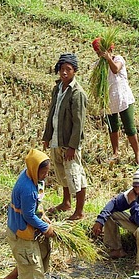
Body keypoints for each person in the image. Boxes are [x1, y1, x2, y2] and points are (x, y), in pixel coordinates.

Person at [5, 149, 56, 279]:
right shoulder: (27, 189)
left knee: (33, 256)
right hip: (21, 231)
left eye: (48, 172)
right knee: (28, 262)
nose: (46, 176)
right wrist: (45, 228)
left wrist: (42, 214)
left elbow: (35, 206)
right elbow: (28, 216)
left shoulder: (31, 175)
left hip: (24, 226)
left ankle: (12, 277)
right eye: (44, 173)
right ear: (35, 170)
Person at [42, 53, 87, 220]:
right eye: (62, 69)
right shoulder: (58, 88)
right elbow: (52, 114)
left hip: (69, 143)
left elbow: (78, 123)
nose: (64, 73)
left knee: (76, 175)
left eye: (68, 69)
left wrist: (72, 146)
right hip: (56, 139)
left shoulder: (77, 93)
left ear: (75, 71)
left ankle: (79, 211)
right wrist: (47, 136)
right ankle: (66, 202)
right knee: (62, 173)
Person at [93, 37, 139, 166]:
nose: (100, 55)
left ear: (109, 49)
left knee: (130, 128)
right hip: (109, 101)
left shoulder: (118, 59)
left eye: (102, 51)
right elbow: (97, 82)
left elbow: (115, 69)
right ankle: (115, 152)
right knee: (113, 127)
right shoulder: (98, 66)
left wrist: (108, 58)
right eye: (98, 53)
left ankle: (137, 154)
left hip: (123, 99)